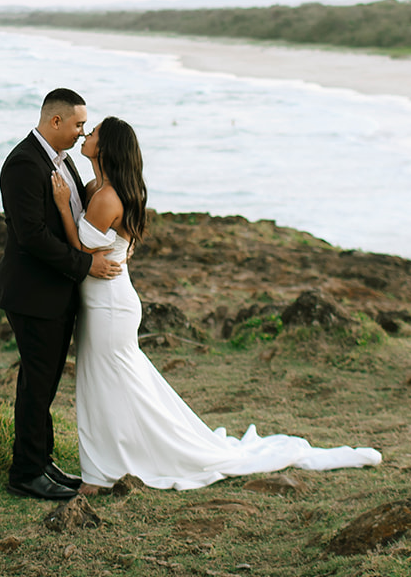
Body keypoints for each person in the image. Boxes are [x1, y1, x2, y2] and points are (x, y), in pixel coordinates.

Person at [52, 116, 382, 490]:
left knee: (109, 384)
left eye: (92, 132)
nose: (85, 133)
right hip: (103, 301)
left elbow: (79, 251)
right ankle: (113, 463)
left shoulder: (109, 195)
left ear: (106, 146)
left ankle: (104, 473)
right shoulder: (97, 185)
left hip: (109, 305)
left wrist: (64, 206)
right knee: (108, 384)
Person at [0, 88, 122, 501]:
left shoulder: (61, 162)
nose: (82, 131)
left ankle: (42, 462)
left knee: (44, 384)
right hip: (32, 295)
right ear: (56, 122)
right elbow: (30, 237)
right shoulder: (23, 164)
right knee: (36, 386)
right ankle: (25, 473)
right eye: (79, 124)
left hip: (54, 293)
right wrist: (86, 266)